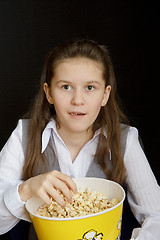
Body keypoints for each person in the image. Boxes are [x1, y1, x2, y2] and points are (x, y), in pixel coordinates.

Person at [0, 39, 159, 240]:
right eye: (66, 87)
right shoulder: (24, 134)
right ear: (48, 93)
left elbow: (157, 216)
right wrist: (25, 189)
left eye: (90, 88)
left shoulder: (125, 140)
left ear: (105, 95)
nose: (77, 100)